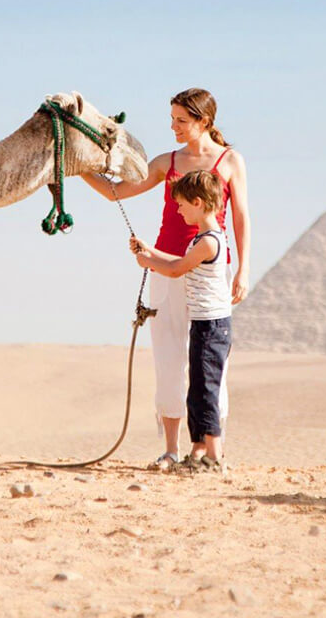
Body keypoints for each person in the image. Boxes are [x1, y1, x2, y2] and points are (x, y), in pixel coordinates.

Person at [84, 87, 251, 470]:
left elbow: (241, 216)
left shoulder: (230, 161)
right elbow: (117, 192)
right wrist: (78, 170)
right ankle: (172, 449)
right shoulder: (167, 162)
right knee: (169, 356)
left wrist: (244, 268)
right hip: (164, 265)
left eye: (181, 120)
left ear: (203, 121)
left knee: (209, 363)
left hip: (208, 268)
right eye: (172, 118)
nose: (173, 126)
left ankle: (208, 449)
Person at [128, 170, 234, 472]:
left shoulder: (209, 242)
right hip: (203, 325)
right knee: (198, 388)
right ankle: (200, 451)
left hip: (212, 327)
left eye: (182, 205)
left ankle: (214, 456)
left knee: (206, 390)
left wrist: (149, 262)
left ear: (198, 203)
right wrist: (149, 250)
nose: (178, 210)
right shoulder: (204, 239)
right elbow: (176, 262)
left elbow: (176, 269)